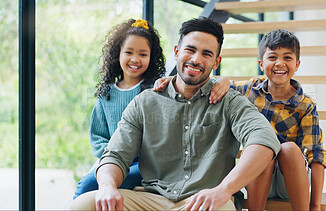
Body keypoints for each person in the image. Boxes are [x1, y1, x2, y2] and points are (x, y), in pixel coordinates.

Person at [67, 17, 281, 211]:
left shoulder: (229, 101)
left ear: (216, 62)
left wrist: (224, 189)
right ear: (177, 51)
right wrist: (107, 186)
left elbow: (264, 139)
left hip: (207, 201)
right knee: (83, 205)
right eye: (190, 50)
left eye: (206, 54)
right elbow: (116, 154)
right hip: (150, 198)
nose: (196, 59)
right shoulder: (145, 101)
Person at [155, 29, 326, 210]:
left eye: (287, 58)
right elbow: (208, 82)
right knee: (263, 149)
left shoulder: (305, 104)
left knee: (289, 149)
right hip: (258, 176)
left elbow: (316, 155)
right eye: (272, 57)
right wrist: (173, 80)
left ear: (297, 64)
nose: (280, 63)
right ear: (261, 63)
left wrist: (315, 205)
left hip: (290, 179)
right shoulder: (249, 90)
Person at [72, 18, 166, 200]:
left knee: (90, 185)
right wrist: (115, 155)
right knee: (86, 184)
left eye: (143, 54)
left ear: (151, 57)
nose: (135, 59)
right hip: (113, 161)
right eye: (129, 52)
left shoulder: (156, 90)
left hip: (144, 166)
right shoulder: (106, 94)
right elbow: (98, 137)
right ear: (118, 55)